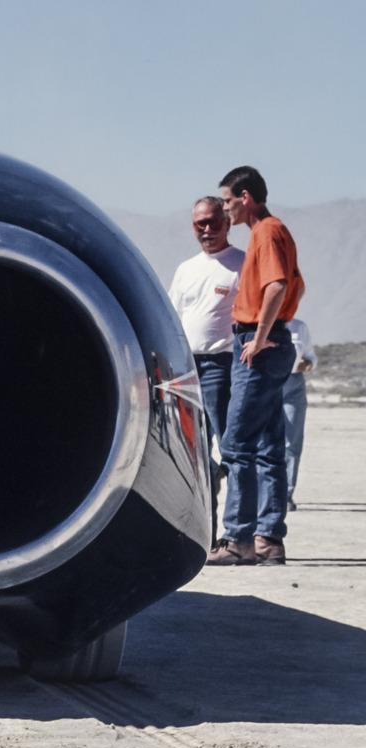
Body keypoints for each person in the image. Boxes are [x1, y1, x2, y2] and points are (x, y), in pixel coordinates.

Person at [207, 167, 304, 565]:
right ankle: (268, 539)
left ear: (245, 197)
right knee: (267, 446)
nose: (226, 209)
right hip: (265, 341)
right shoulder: (271, 232)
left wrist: (260, 337)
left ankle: (238, 540)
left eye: (228, 201)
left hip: (259, 344)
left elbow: (278, 285)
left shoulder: (266, 232)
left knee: (236, 445)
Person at [166, 196, 242, 528]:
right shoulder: (186, 269)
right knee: (191, 448)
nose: (207, 230)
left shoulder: (242, 264)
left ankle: (235, 531)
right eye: (201, 224)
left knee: (230, 447)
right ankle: (204, 527)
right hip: (186, 368)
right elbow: (170, 317)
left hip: (221, 367)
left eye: (213, 222)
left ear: (227, 222)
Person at [284, 318, 316, 511]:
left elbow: (311, 357)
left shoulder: (299, 327)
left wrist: (308, 363)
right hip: (266, 382)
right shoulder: (258, 323)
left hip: (293, 384)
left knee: (291, 441)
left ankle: (285, 494)